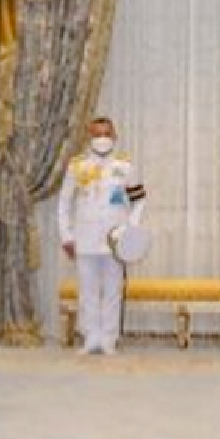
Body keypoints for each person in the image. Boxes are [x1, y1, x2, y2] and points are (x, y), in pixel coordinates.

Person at [57, 116, 148, 356]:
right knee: (87, 290)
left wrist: (130, 229)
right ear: (89, 137)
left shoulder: (125, 166)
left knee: (112, 290)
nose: (102, 139)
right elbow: (64, 202)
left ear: (114, 137)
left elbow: (139, 200)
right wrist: (66, 235)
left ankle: (109, 339)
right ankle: (91, 337)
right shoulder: (77, 166)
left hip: (114, 240)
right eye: (97, 134)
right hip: (85, 237)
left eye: (106, 134)